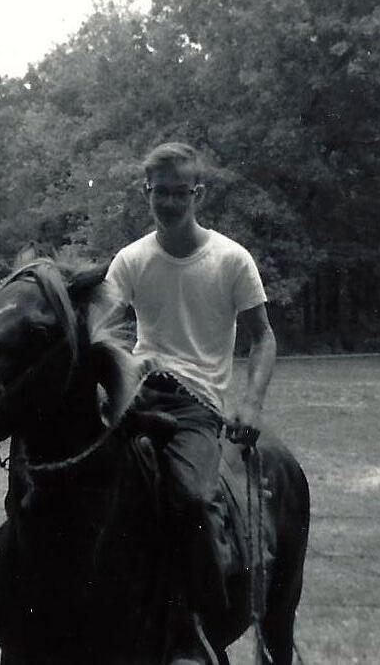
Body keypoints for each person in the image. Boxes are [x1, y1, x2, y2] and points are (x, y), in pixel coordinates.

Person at [103, 141, 277, 663]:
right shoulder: (131, 260)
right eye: (162, 193)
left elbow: (263, 338)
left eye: (182, 193)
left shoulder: (231, 260)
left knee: (196, 498)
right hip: (135, 394)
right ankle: (7, 588)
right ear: (147, 192)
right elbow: (100, 330)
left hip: (196, 402)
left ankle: (195, 628)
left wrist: (250, 404)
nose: (171, 203)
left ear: (198, 193)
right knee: (64, 468)